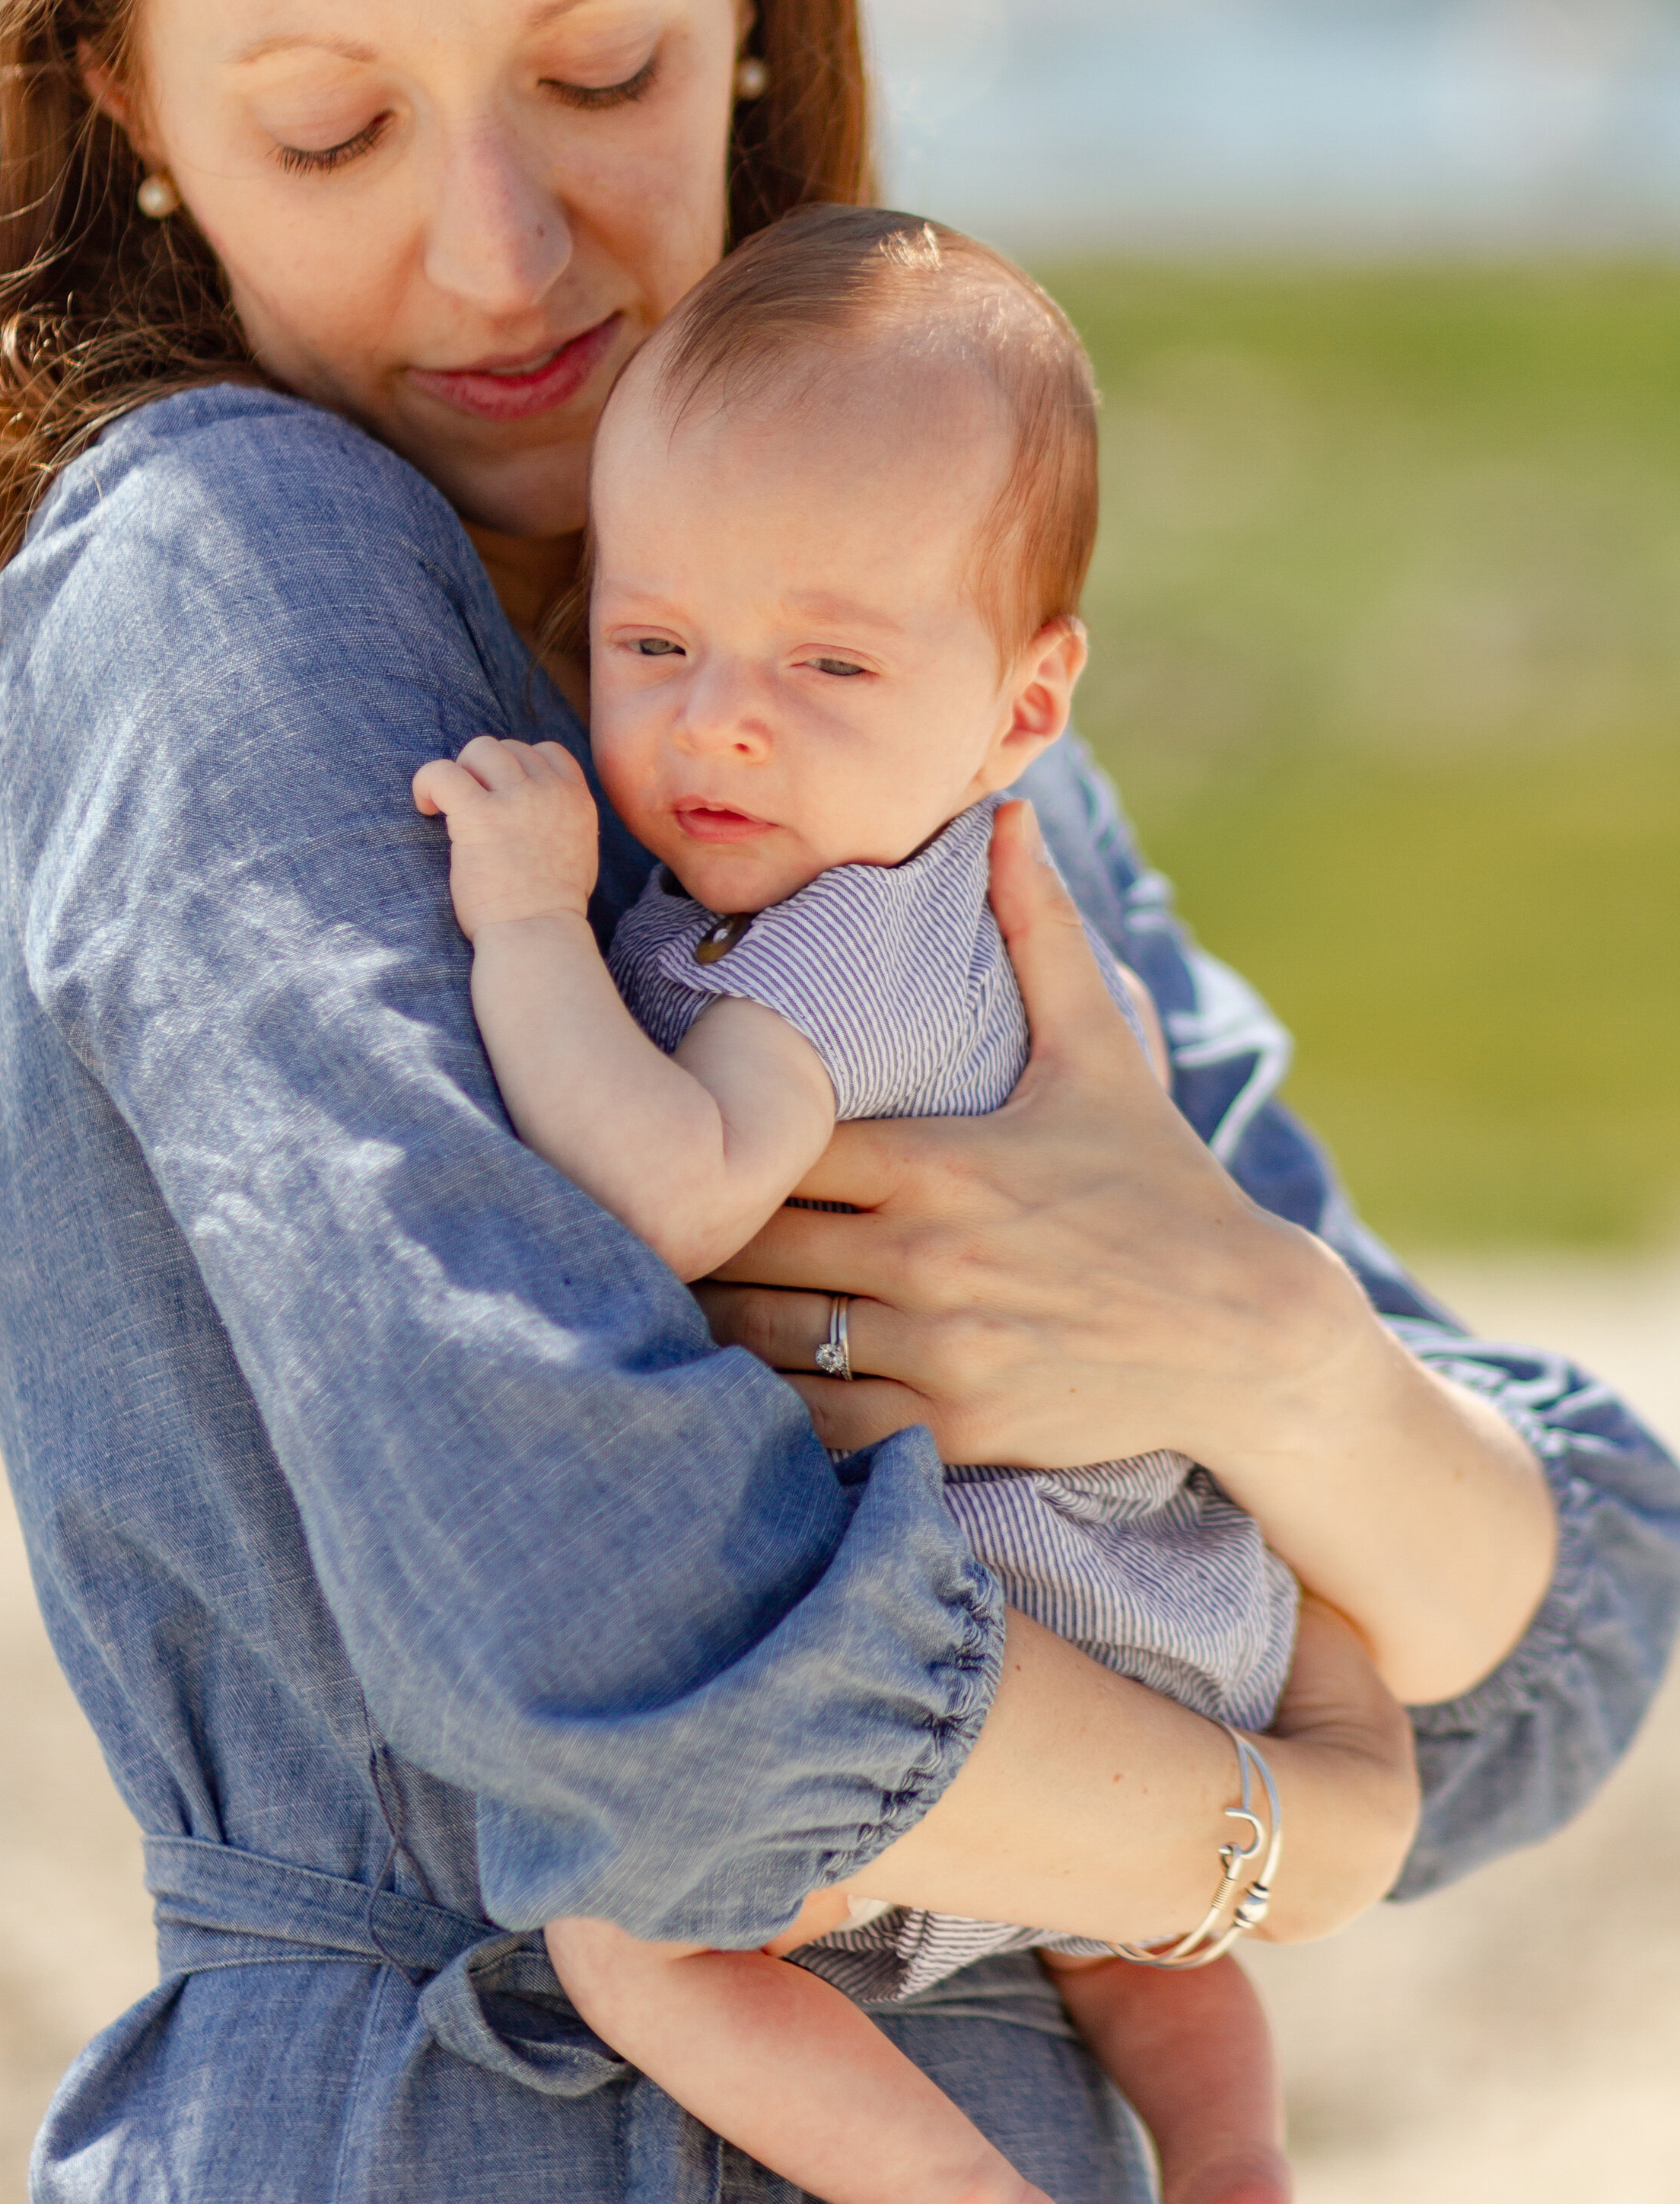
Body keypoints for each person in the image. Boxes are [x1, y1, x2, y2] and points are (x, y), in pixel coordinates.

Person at [0, 0, 1674, 2204]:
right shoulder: (233, 559)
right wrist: (1295, 1826)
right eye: (329, 128)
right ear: (134, 114)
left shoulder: (867, 698)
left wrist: (1245, 1342)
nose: (506, 249)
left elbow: (1577, 1620)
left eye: (603, 72)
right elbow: (637, 1689)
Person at [413, 201, 1305, 2204]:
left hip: (1011, 1612)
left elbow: (672, 1190)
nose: (719, 716)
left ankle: (954, 2184)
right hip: (1143, 1601)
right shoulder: (908, 881)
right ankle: (1235, 2166)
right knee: (1133, 1947)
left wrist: (526, 923)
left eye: (824, 659)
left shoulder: (846, 949)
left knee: (632, 1930)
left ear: (1019, 714)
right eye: (651, 643)